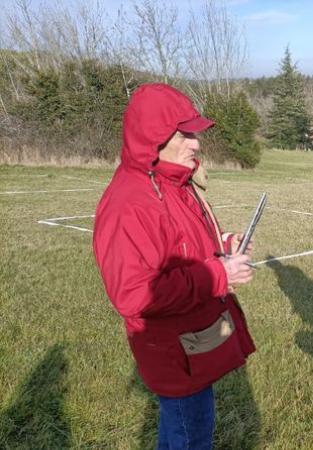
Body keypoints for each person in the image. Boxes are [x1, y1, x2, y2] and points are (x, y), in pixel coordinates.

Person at [93, 83, 256, 449]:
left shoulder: (173, 184)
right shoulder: (131, 203)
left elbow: (184, 246)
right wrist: (220, 274)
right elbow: (134, 295)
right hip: (173, 351)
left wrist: (225, 245)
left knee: (187, 433)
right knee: (188, 437)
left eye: (194, 133)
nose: (196, 143)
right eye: (185, 133)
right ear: (155, 136)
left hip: (194, 344)